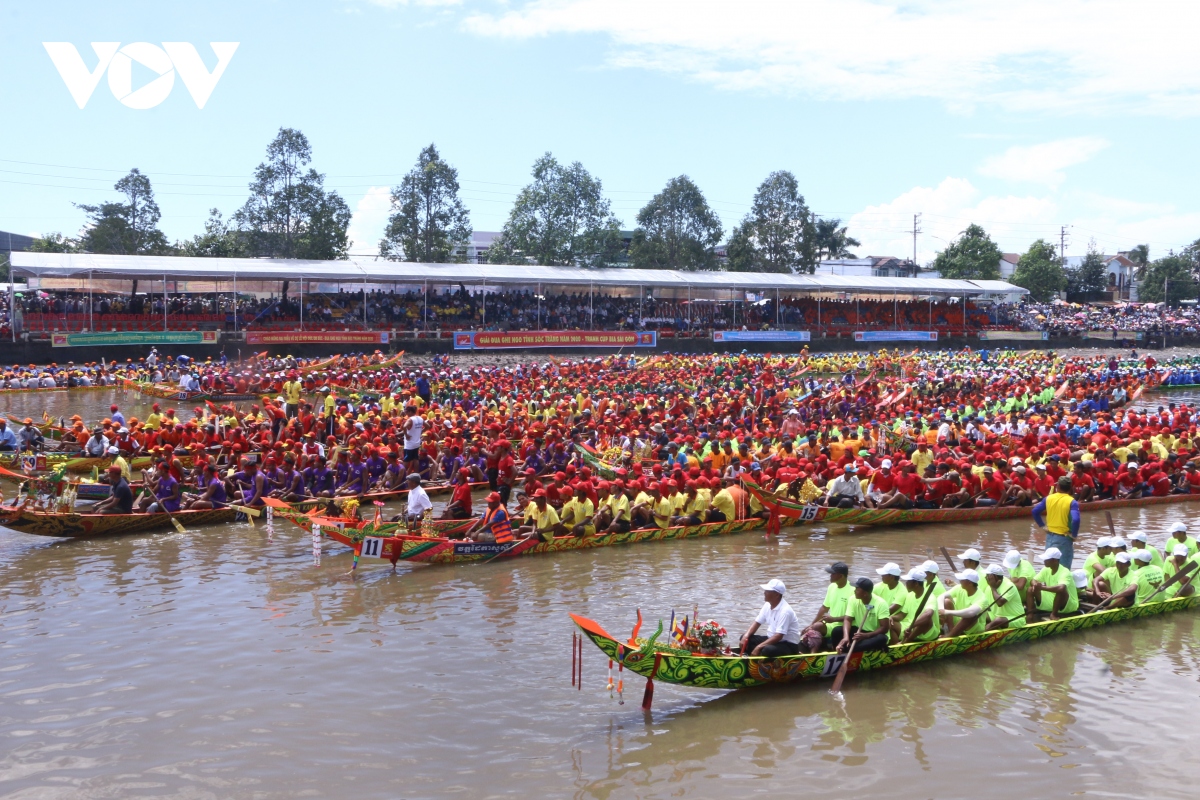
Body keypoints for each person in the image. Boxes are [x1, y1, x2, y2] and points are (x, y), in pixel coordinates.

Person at [739, 578, 802, 657]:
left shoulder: (785, 611)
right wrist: (746, 635)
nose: (764, 593)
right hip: (773, 640)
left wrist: (758, 647)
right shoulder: (767, 605)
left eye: (768, 591)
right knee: (745, 639)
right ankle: (752, 657)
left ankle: (760, 660)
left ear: (776, 595)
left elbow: (779, 636)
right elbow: (757, 622)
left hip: (788, 645)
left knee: (767, 650)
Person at [1031, 477, 1080, 567]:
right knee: (1064, 569)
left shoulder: (1048, 498)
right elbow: (1076, 520)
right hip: (1064, 538)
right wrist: (1074, 535)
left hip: (1050, 537)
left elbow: (1035, 511)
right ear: (1070, 488)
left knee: (1049, 567)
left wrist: (1042, 526)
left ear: (1057, 487)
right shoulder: (1072, 502)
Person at [834, 577, 891, 652]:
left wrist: (867, 635)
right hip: (860, 631)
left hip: (874, 634)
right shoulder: (852, 599)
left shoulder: (881, 604)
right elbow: (848, 619)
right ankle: (837, 649)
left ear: (865, 594)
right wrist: (846, 637)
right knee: (837, 630)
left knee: (881, 639)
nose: (854, 591)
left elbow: (884, 628)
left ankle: (848, 649)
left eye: (857, 589)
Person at [1028, 547, 1079, 620]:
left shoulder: (1065, 572)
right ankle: (1030, 615)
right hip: (1052, 598)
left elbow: (1061, 588)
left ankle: (1054, 614)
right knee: (1030, 589)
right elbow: (1033, 580)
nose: (1044, 561)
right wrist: (1035, 585)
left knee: (1061, 590)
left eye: (1047, 559)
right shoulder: (1045, 569)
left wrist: (1042, 587)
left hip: (1069, 605)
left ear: (1055, 561)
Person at [982, 564, 1026, 630]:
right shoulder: (988, 588)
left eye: (988, 575)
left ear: (995, 577)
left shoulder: (1009, 586)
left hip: (1015, 618)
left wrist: (993, 588)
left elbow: (1000, 603)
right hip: (995, 615)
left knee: (998, 621)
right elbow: (986, 605)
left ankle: (982, 634)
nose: (986, 577)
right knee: (978, 615)